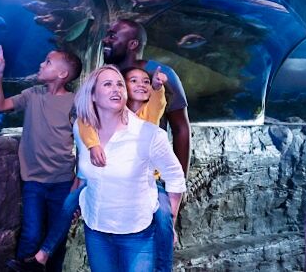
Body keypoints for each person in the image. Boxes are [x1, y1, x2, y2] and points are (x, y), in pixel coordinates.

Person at [32, 66, 168, 267]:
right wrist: (93, 147)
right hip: (100, 183)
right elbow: (85, 124)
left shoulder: (149, 113)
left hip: (147, 183)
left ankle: (165, 263)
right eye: (133, 81)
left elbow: (158, 101)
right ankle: (43, 254)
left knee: (164, 216)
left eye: (146, 81)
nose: (141, 84)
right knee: (69, 203)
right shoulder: (105, 113)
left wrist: (158, 86)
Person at [76, 65, 186, 271]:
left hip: (137, 233)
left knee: (163, 218)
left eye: (119, 84)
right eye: (107, 84)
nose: (116, 89)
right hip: (95, 228)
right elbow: (83, 173)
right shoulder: (83, 131)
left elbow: (175, 177)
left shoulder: (149, 134)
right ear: (92, 94)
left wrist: (171, 215)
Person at [102, 19, 191, 271]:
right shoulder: (107, 76)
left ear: (132, 44)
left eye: (112, 35)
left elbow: (181, 129)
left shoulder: (160, 74)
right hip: (115, 179)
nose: (105, 40)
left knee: (157, 248)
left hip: (153, 178)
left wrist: (177, 188)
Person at [0, 45, 82, 272]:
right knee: (31, 234)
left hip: (62, 181)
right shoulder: (32, 94)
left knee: (56, 238)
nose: (41, 64)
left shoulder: (75, 103)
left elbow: (84, 142)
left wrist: (77, 182)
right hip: (33, 181)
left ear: (63, 74)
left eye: (48, 62)